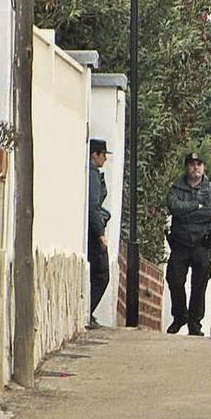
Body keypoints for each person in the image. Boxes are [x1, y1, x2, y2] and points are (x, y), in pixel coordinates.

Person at [166, 153, 211, 336]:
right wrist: (196, 206)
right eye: (192, 164)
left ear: (203, 167)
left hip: (201, 243)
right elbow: (174, 207)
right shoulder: (177, 187)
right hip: (180, 242)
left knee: (199, 284)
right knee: (174, 279)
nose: (195, 167)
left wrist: (187, 212)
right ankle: (180, 315)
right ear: (186, 167)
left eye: (199, 164)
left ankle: (194, 322)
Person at [87, 139, 112, 329]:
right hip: (94, 232)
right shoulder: (93, 175)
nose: (105, 159)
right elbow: (94, 207)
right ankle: (87, 311)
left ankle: (88, 311)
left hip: (92, 229)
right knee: (101, 274)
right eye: (103, 155)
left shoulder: (92, 174)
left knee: (98, 274)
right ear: (96, 154)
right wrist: (101, 233)